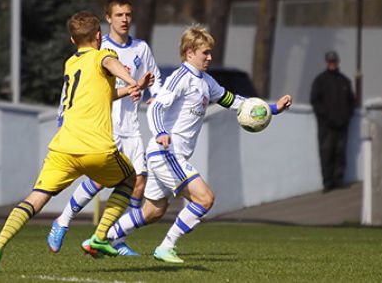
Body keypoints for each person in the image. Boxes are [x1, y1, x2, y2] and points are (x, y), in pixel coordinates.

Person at [81, 25, 292, 263]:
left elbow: (233, 101)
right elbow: (157, 107)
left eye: (210, 52)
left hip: (170, 155)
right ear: (190, 52)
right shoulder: (180, 78)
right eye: (205, 53)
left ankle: (100, 239)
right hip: (166, 153)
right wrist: (160, 131)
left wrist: (272, 109)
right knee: (205, 199)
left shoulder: (206, 81)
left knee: (153, 211)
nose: (210, 57)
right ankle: (166, 246)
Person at [0, 10, 154, 272]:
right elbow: (109, 63)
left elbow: (101, 94)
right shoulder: (103, 55)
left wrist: (127, 89)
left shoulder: (71, 64)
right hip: (96, 148)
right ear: (99, 36)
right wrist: (132, 80)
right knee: (131, 180)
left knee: (35, 199)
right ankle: (99, 237)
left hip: (62, 148)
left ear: (73, 41)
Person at [46, 0, 161, 257]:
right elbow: (70, 89)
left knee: (139, 182)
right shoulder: (98, 49)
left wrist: (154, 93)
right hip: (103, 126)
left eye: (128, 15)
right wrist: (61, 117)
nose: (125, 19)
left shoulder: (141, 48)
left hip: (130, 126)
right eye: (119, 15)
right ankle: (63, 221)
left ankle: (114, 238)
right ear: (107, 19)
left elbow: (155, 79)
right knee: (99, 181)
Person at [310, 51, 355, 193]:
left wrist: (346, 117)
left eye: (334, 61)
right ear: (326, 62)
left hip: (342, 124)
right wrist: (327, 117)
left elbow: (351, 102)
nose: (332, 64)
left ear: (338, 62)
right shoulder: (320, 81)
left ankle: (338, 180)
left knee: (340, 153)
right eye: (330, 61)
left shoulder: (345, 81)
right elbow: (315, 101)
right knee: (326, 152)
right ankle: (327, 182)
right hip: (326, 126)